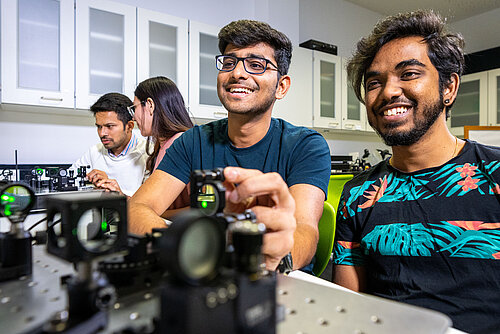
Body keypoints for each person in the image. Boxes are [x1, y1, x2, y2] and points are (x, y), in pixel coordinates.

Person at [333, 10, 500, 334]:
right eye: (374, 82)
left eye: (408, 74)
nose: (388, 92)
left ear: (449, 86)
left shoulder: (495, 173)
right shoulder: (359, 195)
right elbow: (347, 310)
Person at [128, 19, 331, 271]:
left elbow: (305, 230)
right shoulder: (192, 141)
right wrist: (190, 251)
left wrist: (272, 260)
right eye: (229, 62)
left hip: (277, 280)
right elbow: (137, 208)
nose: (237, 73)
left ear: (281, 86)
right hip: (201, 270)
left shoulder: (306, 146)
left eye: (256, 65)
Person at [96, 77, 193, 213]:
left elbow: (200, 209)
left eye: (134, 108)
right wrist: (121, 196)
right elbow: (153, 204)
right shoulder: (161, 146)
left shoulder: (183, 143)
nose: (134, 117)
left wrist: (150, 215)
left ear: (150, 105)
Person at [71, 93, 148, 197]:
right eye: (99, 127)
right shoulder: (94, 152)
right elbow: (69, 181)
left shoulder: (148, 154)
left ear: (129, 126)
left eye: (109, 126)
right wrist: (88, 180)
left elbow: (149, 206)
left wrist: (119, 196)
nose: (102, 133)